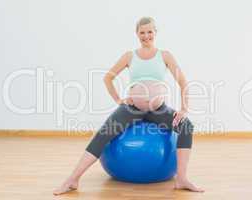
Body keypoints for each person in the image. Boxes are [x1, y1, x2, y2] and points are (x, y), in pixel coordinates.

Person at [53, 16, 204, 195]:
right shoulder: (129, 56)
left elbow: (183, 83)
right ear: (136, 34)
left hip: (158, 110)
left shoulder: (165, 55)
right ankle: (73, 180)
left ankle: (181, 178)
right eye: (142, 32)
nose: (146, 36)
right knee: (104, 133)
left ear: (155, 33)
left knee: (186, 126)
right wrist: (119, 100)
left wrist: (184, 109)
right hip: (132, 109)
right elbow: (108, 77)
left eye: (150, 32)